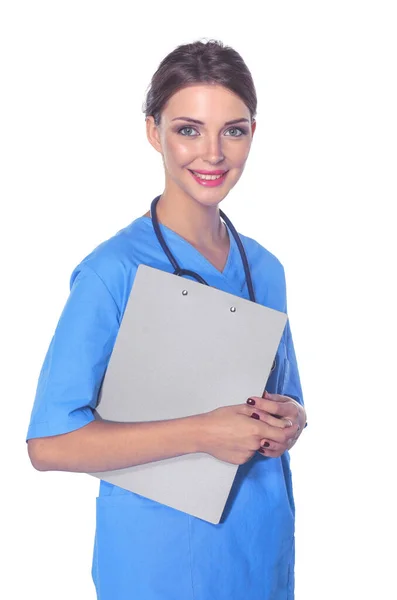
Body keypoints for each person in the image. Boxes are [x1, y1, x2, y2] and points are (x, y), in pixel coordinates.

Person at [26, 39, 307, 600]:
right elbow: (49, 443)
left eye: (234, 129)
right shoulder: (113, 272)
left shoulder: (265, 268)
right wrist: (202, 433)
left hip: (259, 548)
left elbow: (287, 401)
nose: (212, 153)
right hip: (157, 561)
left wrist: (292, 419)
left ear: (254, 133)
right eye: (188, 129)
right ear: (154, 132)